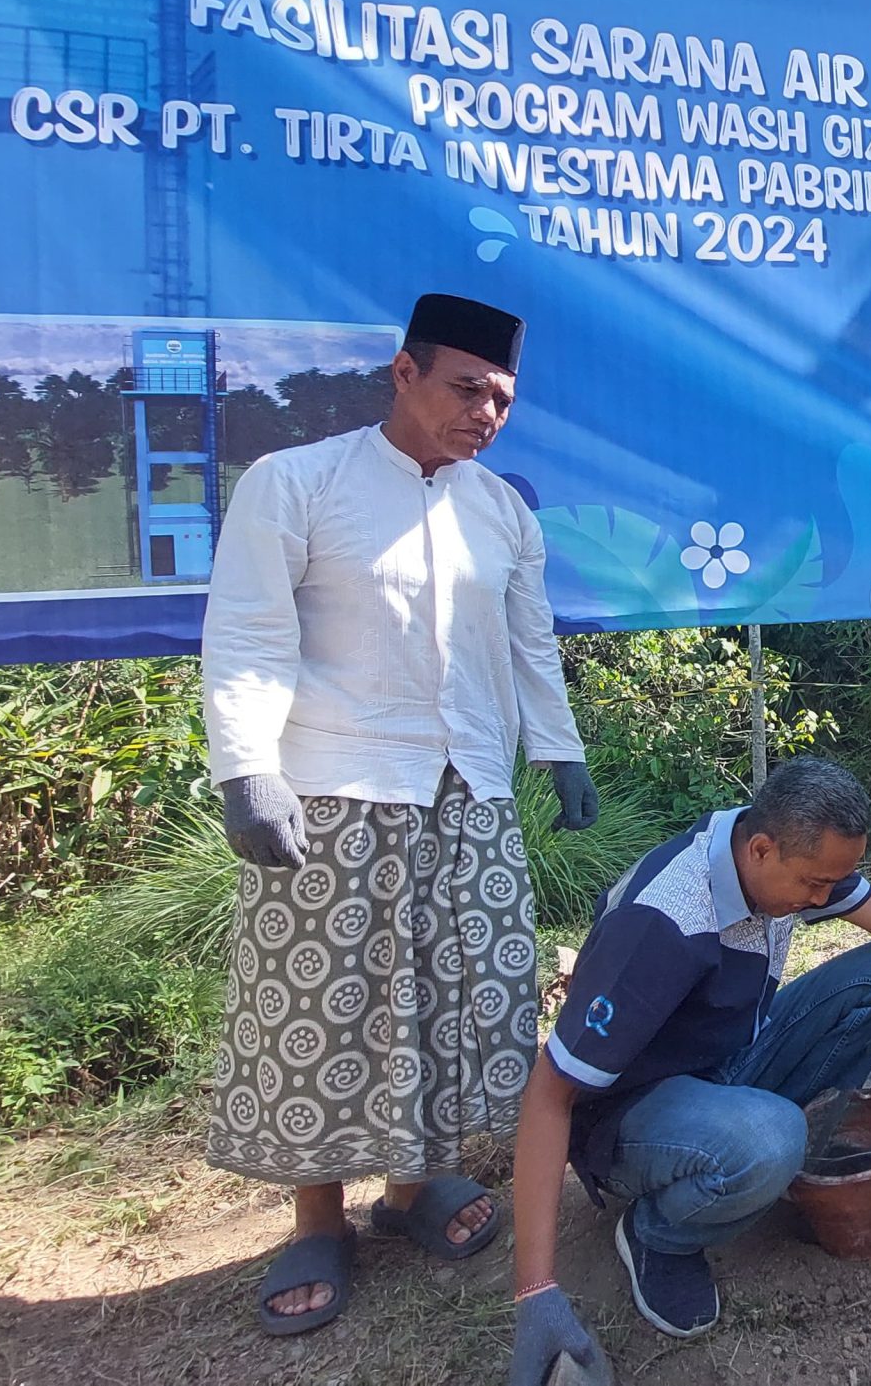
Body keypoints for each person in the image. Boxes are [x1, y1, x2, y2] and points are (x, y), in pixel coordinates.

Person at [200, 293, 604, 1334]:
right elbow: (247, 632)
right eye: (467, 387)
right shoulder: (296, 483)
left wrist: (558, 752)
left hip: (469, 790)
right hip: (332, 790)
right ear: (403, 373)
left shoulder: (500, 508)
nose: (486, 412)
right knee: (325, 1007)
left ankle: (418, 1186)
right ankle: (315, 1220)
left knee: (461, 997)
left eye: (502, 397)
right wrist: (247, 771)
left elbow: (530, 642)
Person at [506, 759, 871, 1382]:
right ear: (761, 849)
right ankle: (657, 1231)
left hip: (721, 1060)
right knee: (770, 1138)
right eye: (815, 884)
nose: (823, 899)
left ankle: (755, 1147)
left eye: (833, 883)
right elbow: (549, 1095)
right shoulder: (664, 923)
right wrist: (535, 1290)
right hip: (628, 1116)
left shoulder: (767, 851)